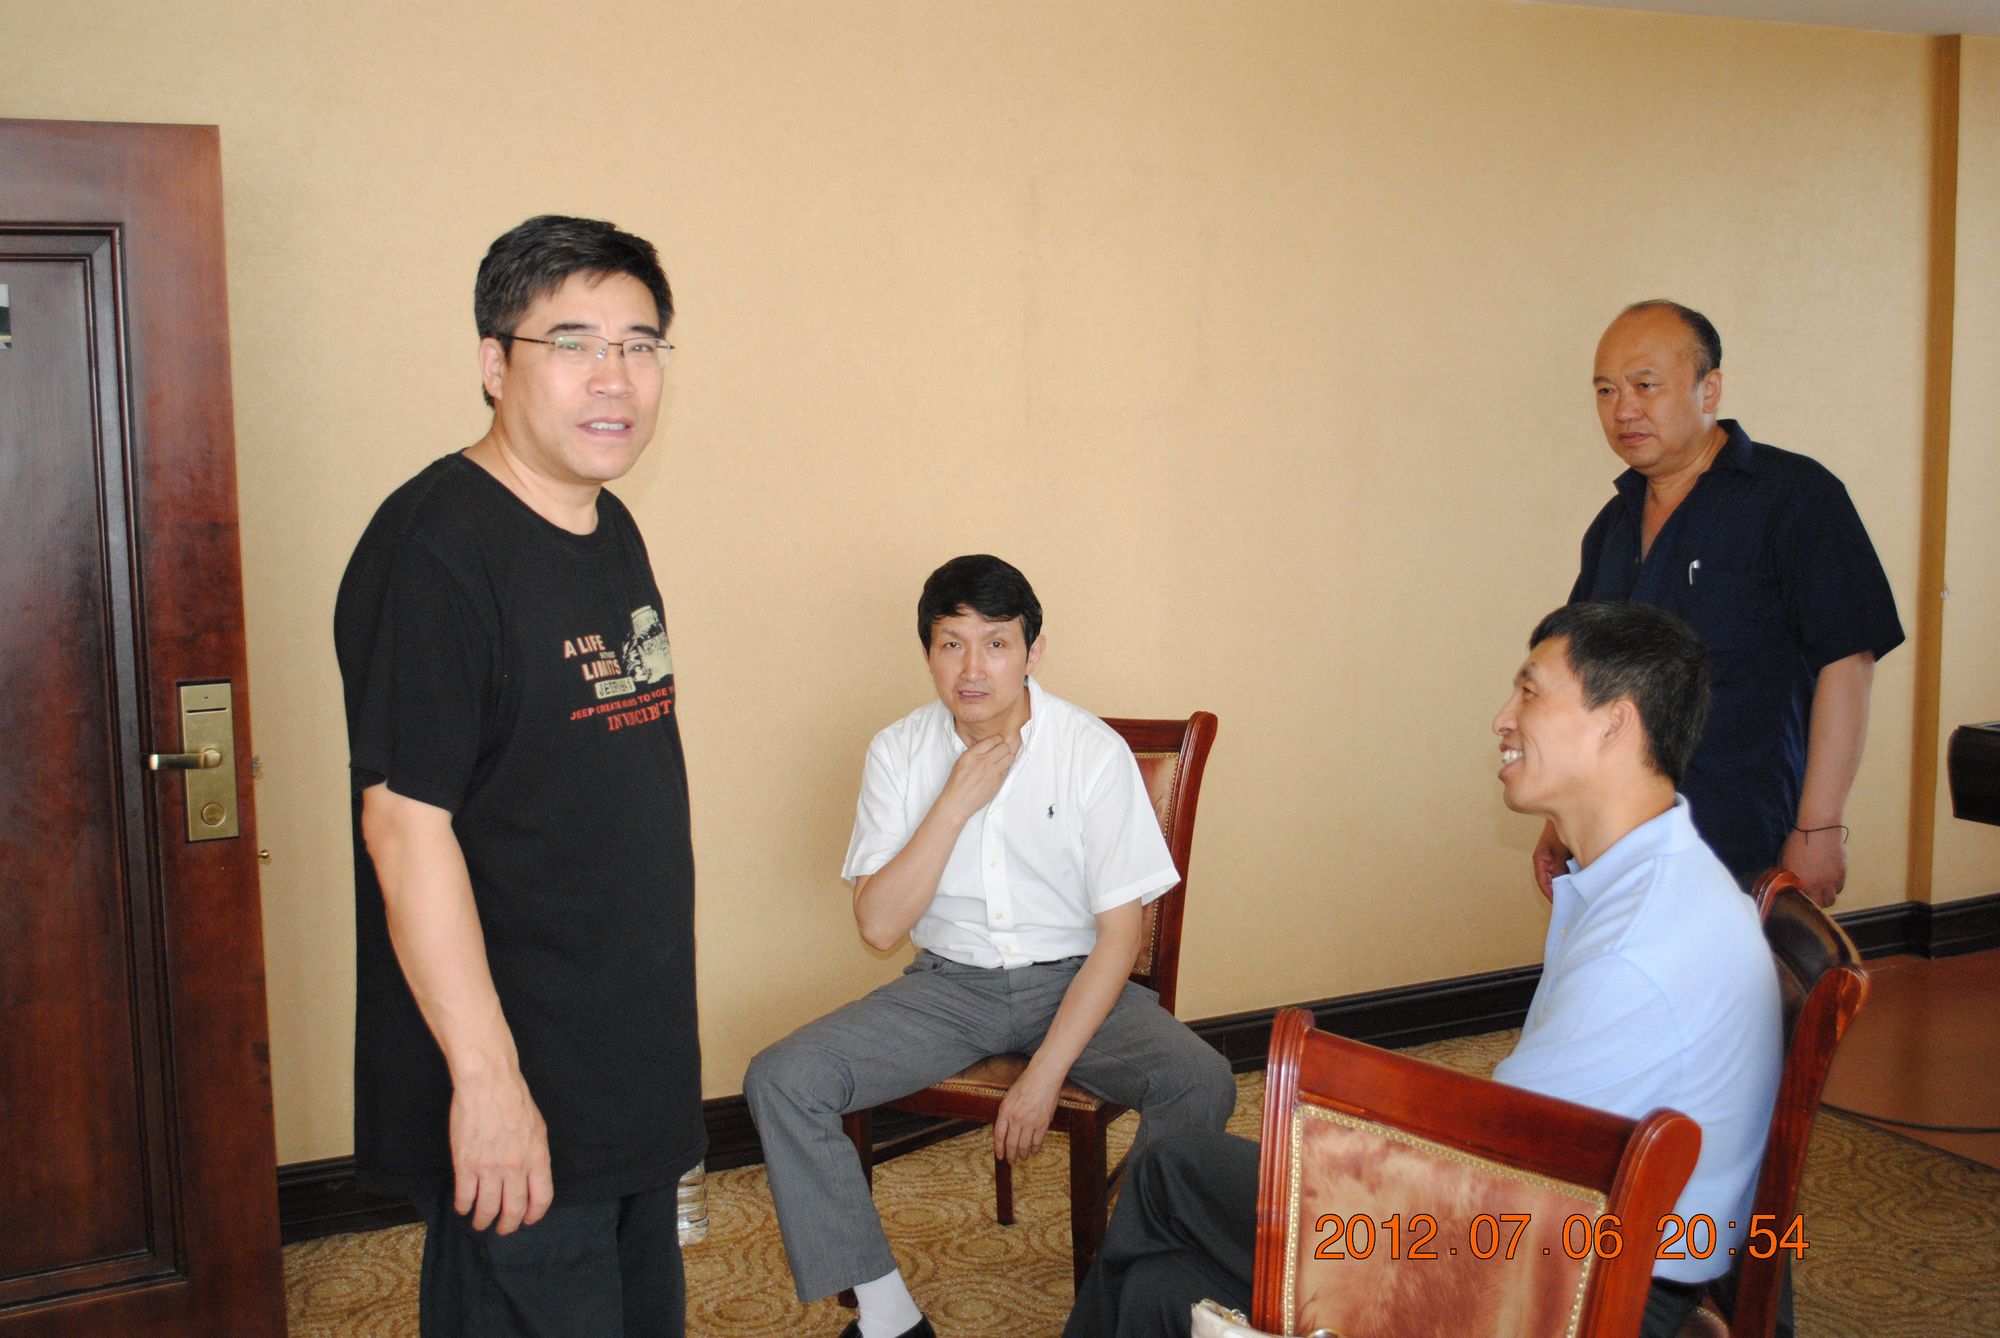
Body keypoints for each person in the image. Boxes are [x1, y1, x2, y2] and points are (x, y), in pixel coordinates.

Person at [1064, 602, 1783, 1338]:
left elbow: (1485, 1171)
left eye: (1530, 692)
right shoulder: (1656, 880)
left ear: (1615, 723)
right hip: (1576, 1240)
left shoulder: (1639, 948)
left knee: (1173, 1171)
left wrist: (1345, 1149)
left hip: (1565, 1287)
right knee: (1158, 1287)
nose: (1503, 719)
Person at [334, 214, 701, 1336]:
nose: (615, 377)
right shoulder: (433, 551)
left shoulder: (608, 523)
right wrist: (489, 1085)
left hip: (624, 1061)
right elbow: (404, 826)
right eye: (573, 342)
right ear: (495, 364)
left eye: (640, 345)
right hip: (517, 1074)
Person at [744, 554, 1237, 1338]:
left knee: (1199, 1080)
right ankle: (889, 1318)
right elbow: (879, 927)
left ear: (1032, 652)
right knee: (782, 1078)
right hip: (948, 989)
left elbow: (1121, 937)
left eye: (996, 644)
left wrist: (1043, 1077)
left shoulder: (1090, 751)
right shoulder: (898, 751)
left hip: (1076, 982)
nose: (973, 669)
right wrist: (954, 802)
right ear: (928, 653)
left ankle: (1120, 1296)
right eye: (952, 644)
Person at [1537, 300, 1904, 907]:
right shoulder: (1613, 525)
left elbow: (1847, 661)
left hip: (1743, 834)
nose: (1623, 409)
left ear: (1709, 389)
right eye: (1605, 390)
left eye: (1645, 385)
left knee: (1739, 972)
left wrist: (1818, 828)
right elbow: (1586, 681)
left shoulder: (1795, 497)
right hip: (1615, 840)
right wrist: (1560, 816)